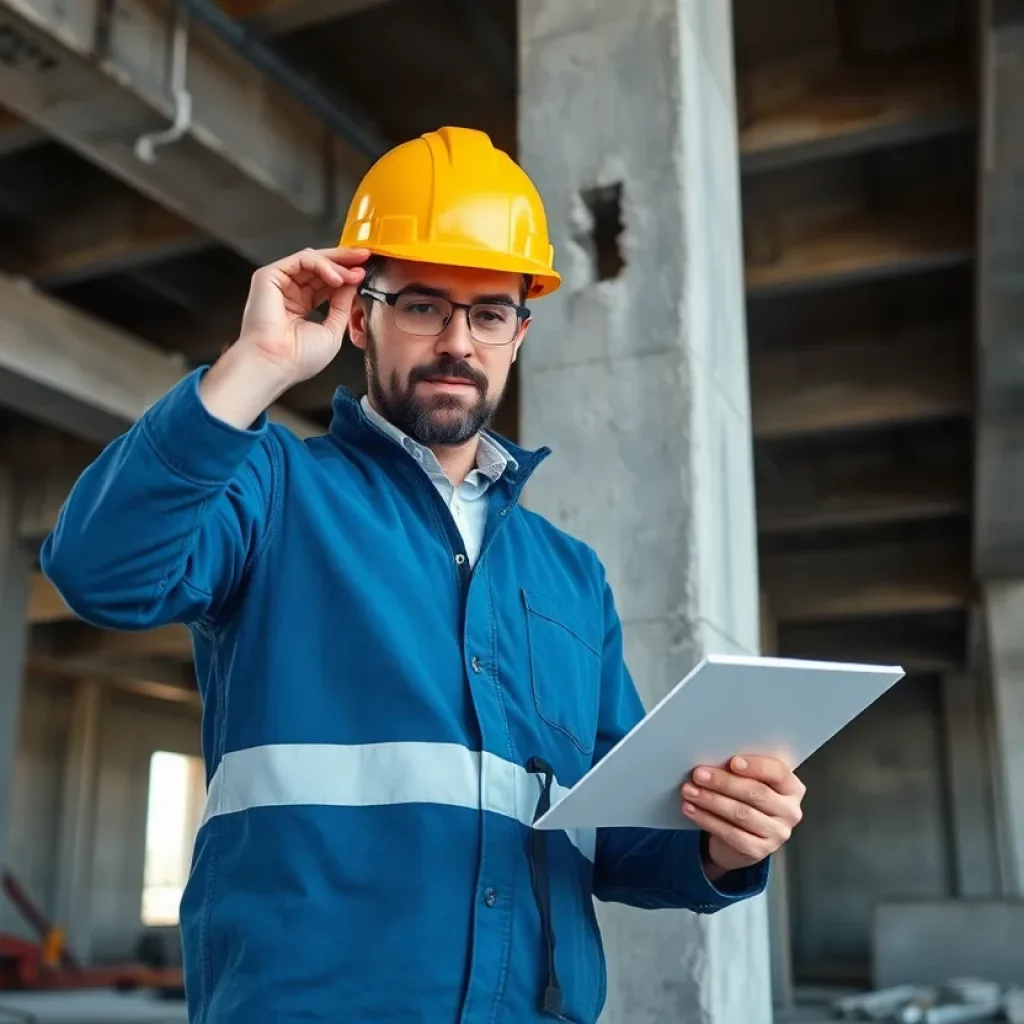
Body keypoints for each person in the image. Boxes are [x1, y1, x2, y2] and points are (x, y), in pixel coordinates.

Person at [41, 126, 805, 1023]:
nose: (457, 342)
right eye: (422, 306)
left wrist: (724, 841)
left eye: (489, 314)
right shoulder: (273, 490)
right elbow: (100, 570)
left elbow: (613, 836)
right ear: (358, 315)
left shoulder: (570, 576)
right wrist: (255, 367)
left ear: (519, 334)